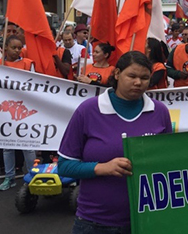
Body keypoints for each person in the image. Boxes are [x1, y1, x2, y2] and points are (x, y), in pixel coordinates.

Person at [58, 51, 172, 234]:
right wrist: (103, 168)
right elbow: (64, 166)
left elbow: (169, 162)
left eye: (144, 77)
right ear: (117, 74)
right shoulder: (88, 110)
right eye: (132, 76)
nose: (138, 82)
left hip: (146, 220)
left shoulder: (160, 112)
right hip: (95, 222)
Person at [0, 35, 37, 191]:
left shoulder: (27, 64)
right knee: (7, 146)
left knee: (27, 145)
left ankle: (33, 175)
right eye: (14, 47)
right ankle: (9, 177)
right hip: (6, 110)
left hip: (23, 110)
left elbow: (34, 84)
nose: (18, 50)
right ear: (6, 47)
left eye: (20, 47)